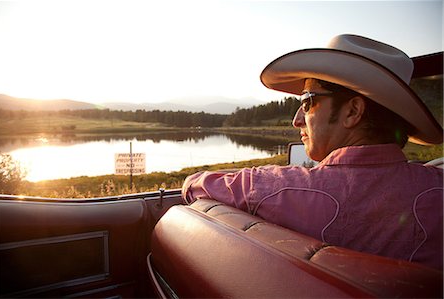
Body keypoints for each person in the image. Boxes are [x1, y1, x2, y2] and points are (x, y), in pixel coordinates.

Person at [182, 34, 443, 270]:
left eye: (307, 102)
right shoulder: (437, 189)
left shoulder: (278, 189)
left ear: (352, 111)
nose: (297, 119)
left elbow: (193, 186)